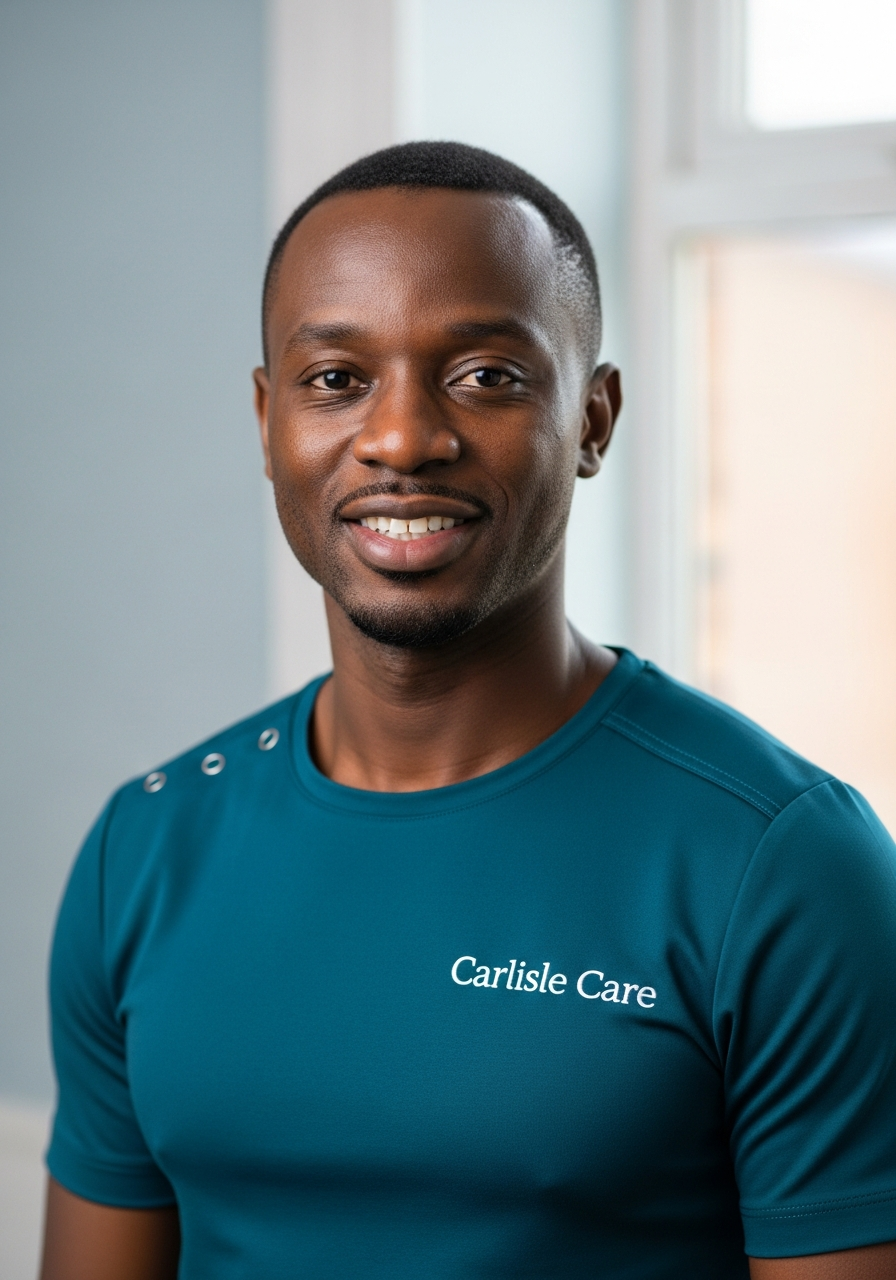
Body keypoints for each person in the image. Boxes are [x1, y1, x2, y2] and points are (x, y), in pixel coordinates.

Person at [40, 142, 896, 1280]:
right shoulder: (142, 852)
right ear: (266, 421)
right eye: (336, 377)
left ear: (592, 421)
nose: (400, 439)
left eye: (485, 374)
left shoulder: (783, 864)